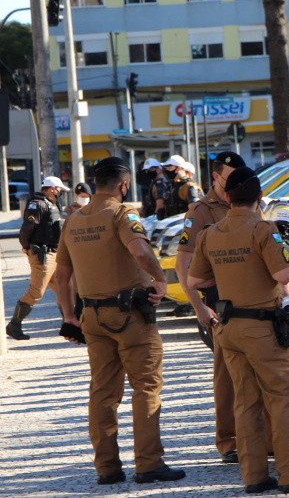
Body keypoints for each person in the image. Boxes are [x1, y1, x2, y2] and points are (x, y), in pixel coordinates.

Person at [187, 167, 289, 494]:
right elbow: (283, 275)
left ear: (227, 197)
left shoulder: (210, 233)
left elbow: (195, 281)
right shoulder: (264, 229)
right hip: (262, 328)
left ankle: (254, 476)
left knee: (245, 402)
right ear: (260, 198)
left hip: (228, 328)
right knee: (280, 400)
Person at [55, 157, 186, 485]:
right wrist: (160, 279)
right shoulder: (122, 213)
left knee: (102, 392)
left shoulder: (73, 219)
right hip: (130, 317)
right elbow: (140, 251)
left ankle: (107, 468)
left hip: (92, 317)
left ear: (95, 182)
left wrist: (69, 316)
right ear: (124, 185)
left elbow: (61, 276)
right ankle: (149, 463)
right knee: (146, 387)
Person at [174, 151, 245, 464]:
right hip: (221, 304)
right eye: (230, 177)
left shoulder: (250, 199)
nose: (236, 182)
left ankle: (270, 438)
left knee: (264, 372)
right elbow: (183, 264)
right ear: (216, 177)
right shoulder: (200, 211)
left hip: (255, 299)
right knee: (226, 375)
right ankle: (229, 441)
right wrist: (198, 306)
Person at [6, 177, 69, 341]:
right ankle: (14, 325)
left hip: (55, 254)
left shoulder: (52, 204)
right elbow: (26, 228)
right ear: (52, 189)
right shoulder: (38, 204)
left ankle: (68, 324)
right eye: (60, 189)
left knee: (63, 290)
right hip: (43, 255)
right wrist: (26, 246)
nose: (61, 192)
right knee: (36, 291)